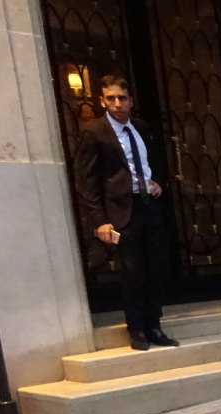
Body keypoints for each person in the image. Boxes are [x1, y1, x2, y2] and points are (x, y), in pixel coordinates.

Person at [74, 75, 175, 351]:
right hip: (121, 211)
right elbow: (87, 180)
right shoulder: (94, 132)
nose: (117, 104)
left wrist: (158, 184)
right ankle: (137, 329)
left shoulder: (141, 127)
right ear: (102, 101)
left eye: (122, 98)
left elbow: (155, 162)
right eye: (111, 99)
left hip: (149, 206)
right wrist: (99, 221)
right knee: (134, 272)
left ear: (130, 100)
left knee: (158, 268)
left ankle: (155, 325)